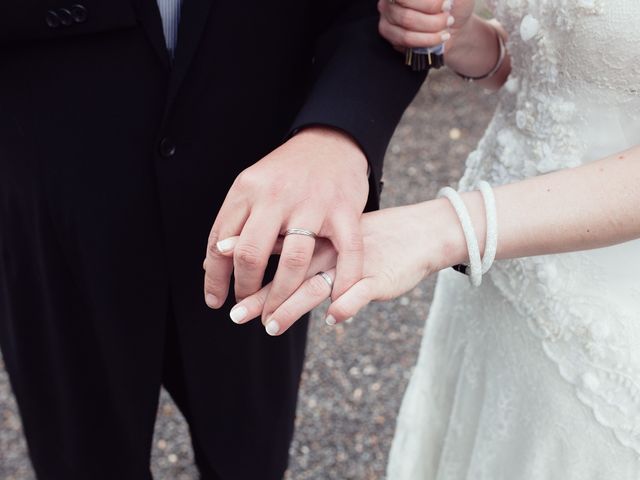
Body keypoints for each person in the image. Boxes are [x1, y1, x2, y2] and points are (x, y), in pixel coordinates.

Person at [0, 1, 429, 479]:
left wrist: (339, 130)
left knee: (250, 457)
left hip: (258, 215)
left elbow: (380, 12)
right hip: (51, 217)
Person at [221, 0, 640, 477]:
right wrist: (463, 39)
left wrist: (445, 228)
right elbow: (552, 66)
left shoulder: (448, 230)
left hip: (604, 309)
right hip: (493, 279)